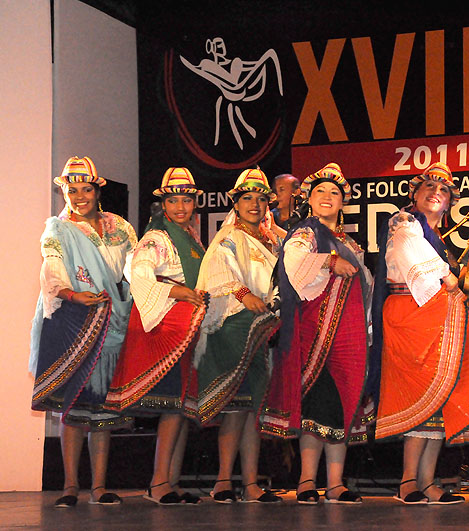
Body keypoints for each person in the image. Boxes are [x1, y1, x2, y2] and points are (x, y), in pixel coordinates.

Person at [374, 162, 469, 505]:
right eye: (429, 186)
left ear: (451, 201)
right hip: (410, 315)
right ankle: (408, 482)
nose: (436, 193)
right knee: (420, 395)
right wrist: (448, 275)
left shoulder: (435, 237)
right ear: (414, 193)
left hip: (434, 315)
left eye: (443, 190)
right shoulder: (405, 222)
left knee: (440, 399)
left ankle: (427, 482)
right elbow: (414, 255)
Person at [30, 156, 137, 507]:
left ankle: (99, 487)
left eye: (86, 189)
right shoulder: (58, 229)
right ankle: (70, 486)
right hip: (74, 320)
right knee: (73, 407)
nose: (79, 197)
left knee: (102, 409)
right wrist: (74, 295)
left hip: (112, 319)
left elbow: (135, 269)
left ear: (97, 190)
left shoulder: (120, 227)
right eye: (72, 190)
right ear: (64, 192)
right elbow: (52, 269)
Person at [263, 163, 372, 505]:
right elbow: (293, 262)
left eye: (334, 192)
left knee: (342, 401)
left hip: (348, 335)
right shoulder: (306, 234)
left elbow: (365, 285)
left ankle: (336, 484)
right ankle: (307, 480)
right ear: (308, 199)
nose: (327, 197)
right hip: (316, 331)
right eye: (320, 191)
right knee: (316, 402)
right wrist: (330, 262)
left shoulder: (348, 241)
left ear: (343, 201)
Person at [105, 168, 208, 505]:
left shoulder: (190, 237)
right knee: (171, 406)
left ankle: (171, 482)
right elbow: (139, 275)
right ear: (163, 204)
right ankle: (158, 483)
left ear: (194, 203)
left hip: (185, 326)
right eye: (173, 201)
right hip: (164, 323)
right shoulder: (156, 238)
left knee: (181, 407)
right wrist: (179, 291)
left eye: (186, 200)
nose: (180, 207)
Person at [194, 168, 282, 504]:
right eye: (247, 198)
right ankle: (222, 481)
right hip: (234, 325)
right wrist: (245, 295)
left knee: (253, 409)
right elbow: (220, 270)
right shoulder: (229, 236)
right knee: (235, 407)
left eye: (261, 199)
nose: (255, 204)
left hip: (262, 327)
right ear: (236, 203)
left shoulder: (271, 239)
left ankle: (251, 483)